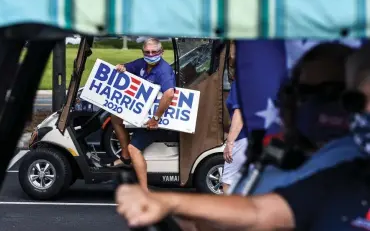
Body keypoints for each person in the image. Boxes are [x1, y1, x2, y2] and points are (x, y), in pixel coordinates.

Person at [115, 43, 370, 230]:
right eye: (309, 95)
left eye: (342, 97)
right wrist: (167, 203)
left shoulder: (344, 159)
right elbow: (258, 212)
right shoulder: (340, 171)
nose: (326, 107)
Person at [234, 42, 365, 195]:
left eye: (332, 92)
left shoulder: (361, 178)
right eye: (306, 92)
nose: (316, 104)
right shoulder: (265, 180)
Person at [106, 38, 176, 191]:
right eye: (147, 52)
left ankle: (144, 191)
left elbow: (169, 94)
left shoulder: (163, 70)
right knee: (115, 117)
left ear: (161, 52)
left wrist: (155, 119)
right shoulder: (143, 64)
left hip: (158, 120)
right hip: (142, 113)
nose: (151, 55)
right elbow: (128, 67)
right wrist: (121, 68)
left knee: (134, 148)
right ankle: (125, 157)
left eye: (154, 52)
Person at [221, 80, 249, 193]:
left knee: (228, 184)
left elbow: (239, 113)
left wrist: (230, 142)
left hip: (242, 138)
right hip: (260, 137)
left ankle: (230, 210)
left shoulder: (241, 82)